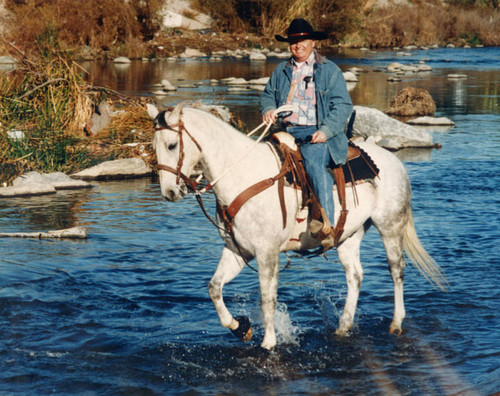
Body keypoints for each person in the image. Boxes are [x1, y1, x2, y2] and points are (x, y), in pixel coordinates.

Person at [260, 18, 353, 247]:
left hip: (316, 133)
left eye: (303, 40)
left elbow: (343, 106)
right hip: (286, 131)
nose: (298, 45)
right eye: (293, 41)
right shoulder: (281, 70)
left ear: (313, 42)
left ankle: (326, 223)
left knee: (313, 163)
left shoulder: (329, 70)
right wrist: (269, 109)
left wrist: (326, 131)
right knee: (258, 159)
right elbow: (267, 95)